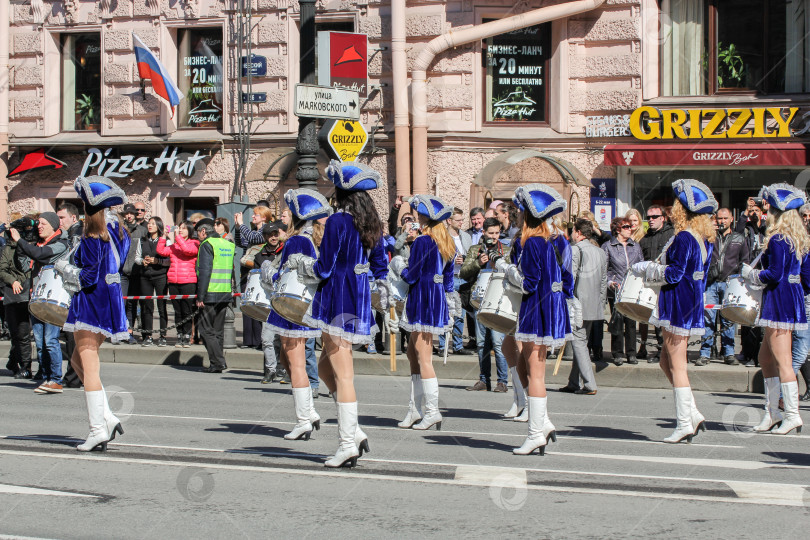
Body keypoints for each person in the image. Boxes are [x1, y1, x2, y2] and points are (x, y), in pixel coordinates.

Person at [294, 160, 389, 468]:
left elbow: (324, 267)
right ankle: (355, 430)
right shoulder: (373, 222)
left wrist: (301, 264)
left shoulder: (336, 221)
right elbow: (380, 265)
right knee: (325, 368)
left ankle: (347, 442)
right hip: (357, 295)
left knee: (342, 373)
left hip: (339, 296)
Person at [634, 179, 716, 443]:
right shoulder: (704, 238)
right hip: (690, 301)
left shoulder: (683, 237)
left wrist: (647, 269)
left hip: (678, 302)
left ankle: (684, 423)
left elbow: (674, 274)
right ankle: (692, 413)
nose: (673, 209)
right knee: (665, 361)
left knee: (678, 365)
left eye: (677, 205)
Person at [495, 184, 572, 455]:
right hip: (548, 309)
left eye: (519, 213)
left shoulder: (534, 242)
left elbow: (529, 282)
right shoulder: (553, 240)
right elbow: (565, 278)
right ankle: (544, 423)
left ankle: (535, 433)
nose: (516, 217)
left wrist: (506, 269)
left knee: (535, 373)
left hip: (536, 310)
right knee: (530, 368)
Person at [59, 176, 130, 452]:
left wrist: (64, 269)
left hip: (91, 303)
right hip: (110, 300)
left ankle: (97, 429)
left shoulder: (91, 237)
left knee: (88, 366)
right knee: (78, 359)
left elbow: (87, 277)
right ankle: (108, 418)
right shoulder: (119, 232)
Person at [261, 189, 332, 440]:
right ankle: (309, 412)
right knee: (286, 356)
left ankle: (304, 419)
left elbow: (282, 275)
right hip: (302, 305)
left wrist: (266, 269)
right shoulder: (312, 238)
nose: (286, 217)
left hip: (293, 305)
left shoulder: (297, 240)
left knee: (295, 361)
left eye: (289, 212)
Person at [741, 183, 809, 436]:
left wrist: (752, 273)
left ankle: (792, 415)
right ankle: (773, 412)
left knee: (782, 361)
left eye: (768, 206)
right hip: (786, 298)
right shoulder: (797, 238)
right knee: (765, 358)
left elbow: (775, 274)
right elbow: (807, 276)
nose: (765, 210)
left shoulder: (780, 238)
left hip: (780, 299)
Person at [391, 195, 458, 431]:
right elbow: (448, 280)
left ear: (425, 218)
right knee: (412, 353)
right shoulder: (447, 242)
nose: (416, 217)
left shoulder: (422, 242)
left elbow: (411, 275)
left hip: (423, 298)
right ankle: (415, 409)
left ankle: (432, 411)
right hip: (435, 297)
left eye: (419, 214)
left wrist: (398, 264)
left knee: (423, 357)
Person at [11, 211, 68, 393]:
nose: (39, 226)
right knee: (40, 342)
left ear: (53, 225)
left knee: (51, 340)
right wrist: (20, 245)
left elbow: (41, 255)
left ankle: (56, 379)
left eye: (43, 223)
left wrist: (20, 241)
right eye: (38, 223)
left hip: (52, 299)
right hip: (37, 298)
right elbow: (22, 264)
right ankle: (46, 377)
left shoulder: (60, 244)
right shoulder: (37, 244)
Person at [460, 217, 508, 392]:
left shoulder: (506, 250)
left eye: (497, 233)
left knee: (497, 342)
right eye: (491, 233)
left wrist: (500, 263)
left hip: (497, 300)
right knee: (481, 343)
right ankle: (483, 380)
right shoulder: (475, 250)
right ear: (484, 232)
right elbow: (464, 273)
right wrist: (478, 263)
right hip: (479, 299)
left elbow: (513, 272)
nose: (494, 237)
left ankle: (502, 380)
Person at [559, 218, 606, 395]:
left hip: (579, 303)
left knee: (578, 342)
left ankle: (589, 384)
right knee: (581, 341)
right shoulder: (599, 251)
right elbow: (603, 280)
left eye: (573, 231)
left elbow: (569, 277)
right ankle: (573, 382)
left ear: (578, 233)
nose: (571, 234)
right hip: (594, 304)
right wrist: (601, 303)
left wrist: (567, 300)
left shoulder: (575, 249)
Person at [698, 208, 750, 366]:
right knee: (708, 318)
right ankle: (705, 353)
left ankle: (728, 353)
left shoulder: (739, 238)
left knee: (728, 320)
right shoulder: (709, 237)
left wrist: (739, 281)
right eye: (719, 218)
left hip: (729, 283)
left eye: (725, 218)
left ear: (731, 219)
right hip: (711, 283)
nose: (722, 221)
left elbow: (745, 261)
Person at [195, 218, 235, 373]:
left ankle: (218, 362)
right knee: (217, 331)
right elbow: (231, 271)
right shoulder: (228, 244)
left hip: (210, 292)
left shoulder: (207, 244)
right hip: (224, 292)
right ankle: (216, 363)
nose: (198, 236)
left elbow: (204, 272)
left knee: (205, 330)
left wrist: (200, 296)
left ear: (203, 231)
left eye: (198, 232)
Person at [603, 217, 643, 366]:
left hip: (632, 288)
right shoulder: (608, 246)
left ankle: (631, 353)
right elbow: (604, 269)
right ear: (617, 229)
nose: (630, 229)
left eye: (630, 227)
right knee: (618, 321)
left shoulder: (635, 246)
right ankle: (617, 353)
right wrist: (610, 282)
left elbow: (641, 265)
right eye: (626, 227)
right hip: (617, 288)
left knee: (631, 322)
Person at [234, 206, 275, 349]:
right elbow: (241, 243)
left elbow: (252, 238)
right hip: (247, 271)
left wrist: (242, 225)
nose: (253, 217)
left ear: (264, 217)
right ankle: (248, 340)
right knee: (247, 304)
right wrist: (238, 229)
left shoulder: (265, 230)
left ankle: (257, 340)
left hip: (257, 270)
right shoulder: (254, 230)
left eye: (256, 215)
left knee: (256, 305)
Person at [639, 204, 674, 361]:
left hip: (666, 284)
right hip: (649, 284)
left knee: (664, 320)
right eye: (649, 217)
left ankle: (664, 351)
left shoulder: (672, 235)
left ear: (663, 218)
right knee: (651, 317)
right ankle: (653, 349)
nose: (651, 220)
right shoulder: (645, 239)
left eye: (654, 217)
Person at [156, 221, 199, 348]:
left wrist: (178, 238)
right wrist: (163, 236)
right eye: (179, 228)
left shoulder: (194, 243)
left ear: (190, 231)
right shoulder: (175, 245)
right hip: (174, 282)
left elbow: (187, 251)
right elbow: (161, 251)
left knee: (187, 310)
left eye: (183, 229)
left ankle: (187, 335)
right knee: (177, 311)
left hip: (188, 281)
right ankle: (179, 335)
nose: (180, 230)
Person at [0, 219, 33, 379]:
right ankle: (14, 361)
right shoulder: (8, 248)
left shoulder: (31, 246)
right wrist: (12, 281)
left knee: (24, 333)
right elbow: (2, 269)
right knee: (15, 332)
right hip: (11, 295)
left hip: (28, 294)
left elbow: (30, 268)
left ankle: (26, 367)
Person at [736, 197, 767, 366]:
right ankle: (746, 351)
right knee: (747, 315)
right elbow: (737, 233)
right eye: (752, 211)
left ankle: (757, 354)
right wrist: (745, 213)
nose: (754, 213)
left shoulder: (765, 228)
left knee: (760, 318)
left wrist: (765, 215)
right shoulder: (747, 229)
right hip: (748, 273)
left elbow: (771, 229)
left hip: (763, 274)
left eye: (757, 210)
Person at [439, 208, 473, 356]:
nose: (461, 222)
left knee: (460, 313)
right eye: (458, 220)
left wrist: (464, 258)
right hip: (449, 277)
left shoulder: (465, 236)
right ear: (449, 221)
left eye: (462, 219)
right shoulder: (442, 236)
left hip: (463, 277)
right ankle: (443, 346)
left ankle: (458, 345)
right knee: (446, 312)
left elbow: (471, 256)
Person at [254, 222, 285, 383]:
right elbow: (256, 278)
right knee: (266, 338)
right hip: (267, 302)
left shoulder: (286, 251)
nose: (274, 237)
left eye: (276, 234)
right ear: (265, 237)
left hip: (284, 302)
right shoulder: (259, 256)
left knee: (282, 339)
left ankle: (282, 369)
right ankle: (270, 370)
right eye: (270, 234)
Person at [135, 217, 170, 346]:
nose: (150, 225)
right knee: (147, 306)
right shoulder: (142, 240)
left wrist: (157, 261)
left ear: (159, 226)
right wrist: (142, 261)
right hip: (145, 276)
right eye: (149, 223)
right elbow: (137, 257)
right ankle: (147, 335)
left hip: (160, 276)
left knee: (161, 306)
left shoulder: (165, 240)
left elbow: (170, 260)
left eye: (153, 224)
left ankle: (163, 335)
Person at [121, 203, 147, 344]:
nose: (129, 216)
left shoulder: (142, 230)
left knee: (132, 303)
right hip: (122, 272)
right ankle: (120, 331)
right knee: (121, 302)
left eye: (131, 213)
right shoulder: (120, 230)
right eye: (127, 213)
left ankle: (130, 332)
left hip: (137, 272)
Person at [797, 205, 810, 401]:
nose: (807, 219)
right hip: (804, 297)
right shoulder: (800, 240)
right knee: (801, 348)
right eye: (804, 216)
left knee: (799, 349)